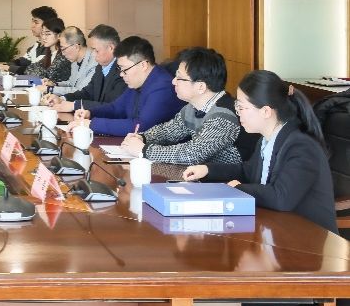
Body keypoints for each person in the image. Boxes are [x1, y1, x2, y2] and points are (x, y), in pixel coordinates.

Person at [183, 70, 337, 233]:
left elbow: (281, 197)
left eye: (241, 107)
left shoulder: (302, 147)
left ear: (265, 111)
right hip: (276, 228)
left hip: (307, 237)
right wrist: (207, 170)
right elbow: (248, 171)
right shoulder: (267, 140)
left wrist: (239, 188)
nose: (238, 113)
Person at [116, 47, 249, 165]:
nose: (173, 81)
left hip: (232, 182)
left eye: (179, 78)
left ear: (201, 86)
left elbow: (192, 154)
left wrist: (143, 150)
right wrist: (143, 137)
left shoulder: (224, 116)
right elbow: (168, 132)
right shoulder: (192, 107)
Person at [67, 35, 183, 136]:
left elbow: (140, 126)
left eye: (124, 69)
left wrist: (92, 124)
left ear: (143, 65)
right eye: (120, 69)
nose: (121, 74)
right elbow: (116, 108)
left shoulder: (163, 87)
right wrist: (91, 113)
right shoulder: (138, 82)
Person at [47, 24, 126, 112]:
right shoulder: (100, 67)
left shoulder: (123, 71)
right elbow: (87, 93)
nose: (93, 54)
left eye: (96, 50)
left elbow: (111, 107)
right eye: (92, 50)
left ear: (111, 48)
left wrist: (75, 105)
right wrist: (62, 99)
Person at [47, 25, 96, 96]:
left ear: (76, 47)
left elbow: (80, 91)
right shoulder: (75, 61)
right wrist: (55, 84)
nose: (63, 54)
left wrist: (50, 89)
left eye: (63, 49)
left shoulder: (94, 63)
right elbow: (71, 83)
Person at [25, 16, 70, 83]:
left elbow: (51, 75)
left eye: (47, 34)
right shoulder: (49, 54)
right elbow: (28, 70)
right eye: (42, 33)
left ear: (59, 35)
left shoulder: (64, 55)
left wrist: (41, 74)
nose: (44, 37)